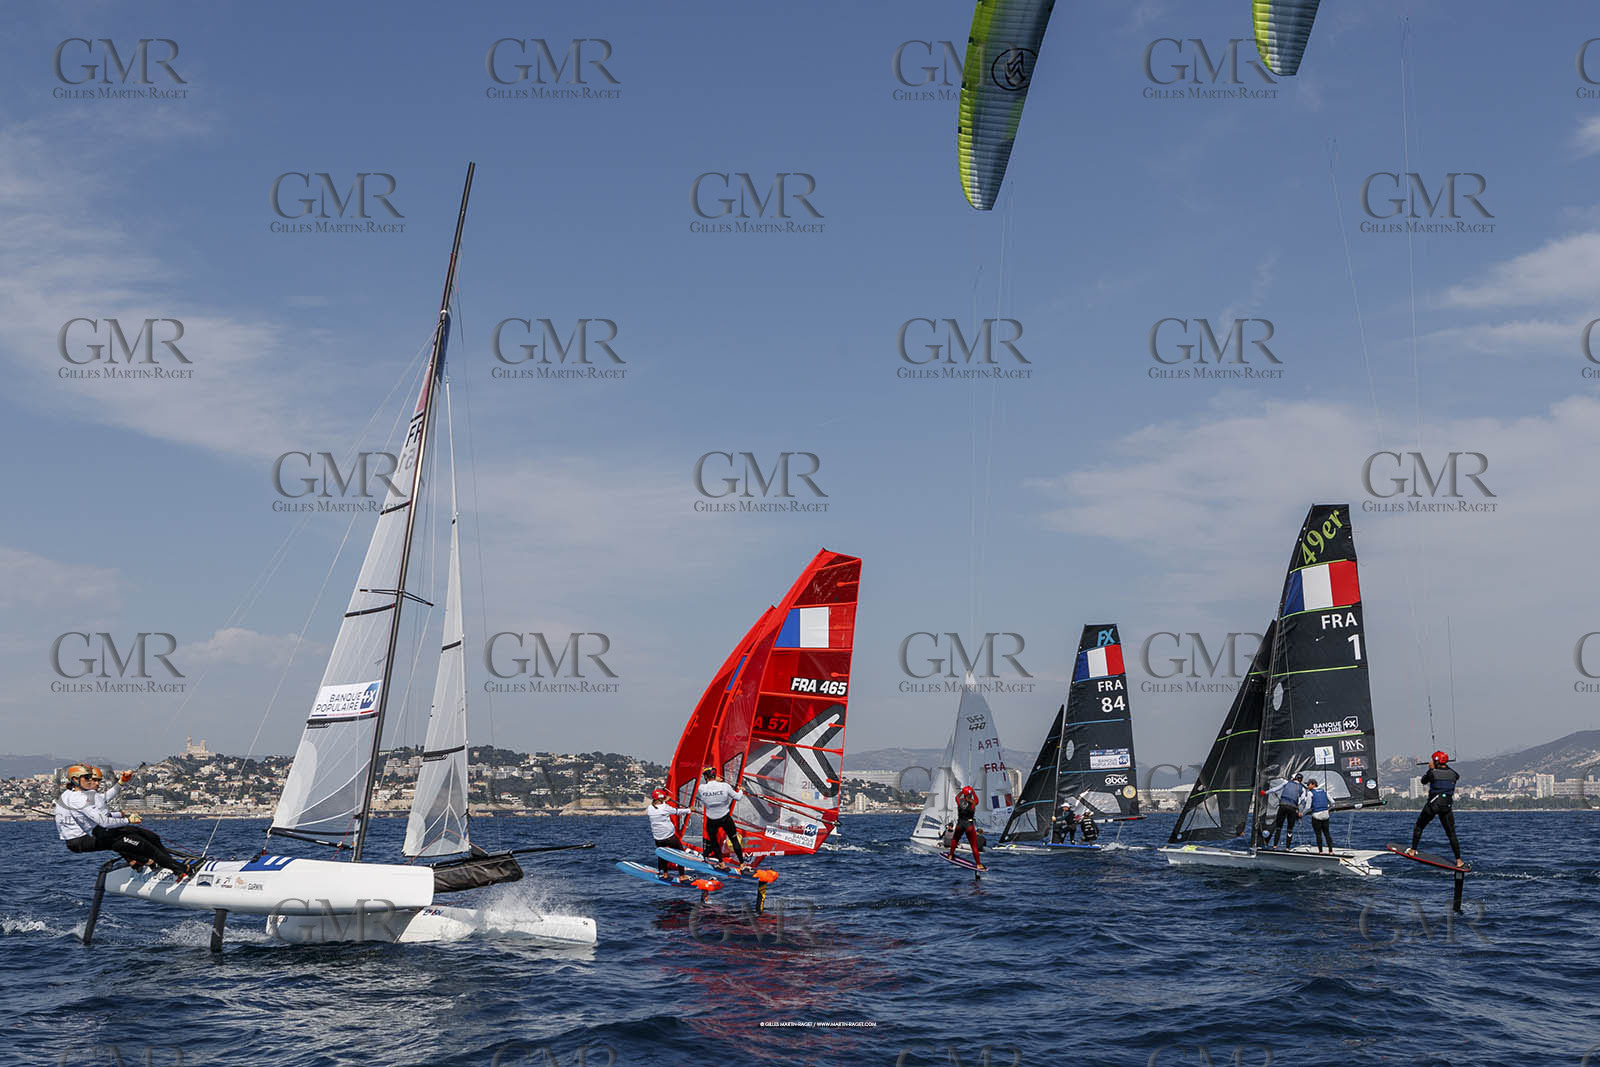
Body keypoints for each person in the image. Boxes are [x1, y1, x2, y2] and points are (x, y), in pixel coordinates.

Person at [54, 765, 193, 877]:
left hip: (88, 836)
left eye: (92, 778)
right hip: (83, 840)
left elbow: (102, 802)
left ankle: (146, 862)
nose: (92, 781)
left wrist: (121, 785)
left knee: (143, 837)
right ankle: (180, 869)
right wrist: (127, 819)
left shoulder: (72, 794)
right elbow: (104, 821)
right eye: (87, 778)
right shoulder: (78, 798)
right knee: (141, 844)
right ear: (75, 779)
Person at [1409, 751, 1464, 865]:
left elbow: (1423, 781)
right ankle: (1459, 861)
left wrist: (1430, 769)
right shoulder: (1454, 774)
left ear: (1436, 762)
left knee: (1419, 826)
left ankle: (1413, 850)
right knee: (1451, 834)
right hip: (1446, 807)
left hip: (1433, 806)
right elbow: (1453, 774)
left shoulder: (1432, 773)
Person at [697, 768, 748, 870]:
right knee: (734, 840)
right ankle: (742, 864)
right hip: (725, 818)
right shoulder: (725, 786)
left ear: (706, 777)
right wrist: (741, 790)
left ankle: (721, 863)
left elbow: (711, 788)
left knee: (714, 841)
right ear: (715, 776)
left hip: (711, 820)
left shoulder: (701, 788)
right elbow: (738, 797)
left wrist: (717, 782)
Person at [645, 788, 695, 883]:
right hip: (669, 837)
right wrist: (689, 810)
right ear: (660, 798)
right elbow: (677, 811)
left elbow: (660, 805)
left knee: (662, 855)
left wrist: (664, 800)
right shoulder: (664, 807)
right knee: (680, 854)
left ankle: (664, 873)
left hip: (658, 838)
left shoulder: (650, 808)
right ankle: (682, 875)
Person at [946, 785, 985, 869]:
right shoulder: (973, 803)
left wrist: (963, 791)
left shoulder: (959, 801)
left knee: (955, 840)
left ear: (964, 794)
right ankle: (978, 864)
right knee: (973, 846)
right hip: (969, 825)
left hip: (960, 824)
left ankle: (950, 855)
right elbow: (977, 800)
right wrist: (972, 791)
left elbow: (957, 796)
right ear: (970, 794)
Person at [1305, 778, 1334, 853]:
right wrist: (1328, 809)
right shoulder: (1324, 791)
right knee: (1327, 833)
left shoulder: (1310, 793)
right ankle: (1330, 851)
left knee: (1318, 834)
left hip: (1317, 816)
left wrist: (1302, 813)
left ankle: (1320, 851)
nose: (1307, 786)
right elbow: (1333, 802)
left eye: (1308, 784)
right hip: (1326, 815)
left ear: (1313, 784)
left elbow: (1308, 807)